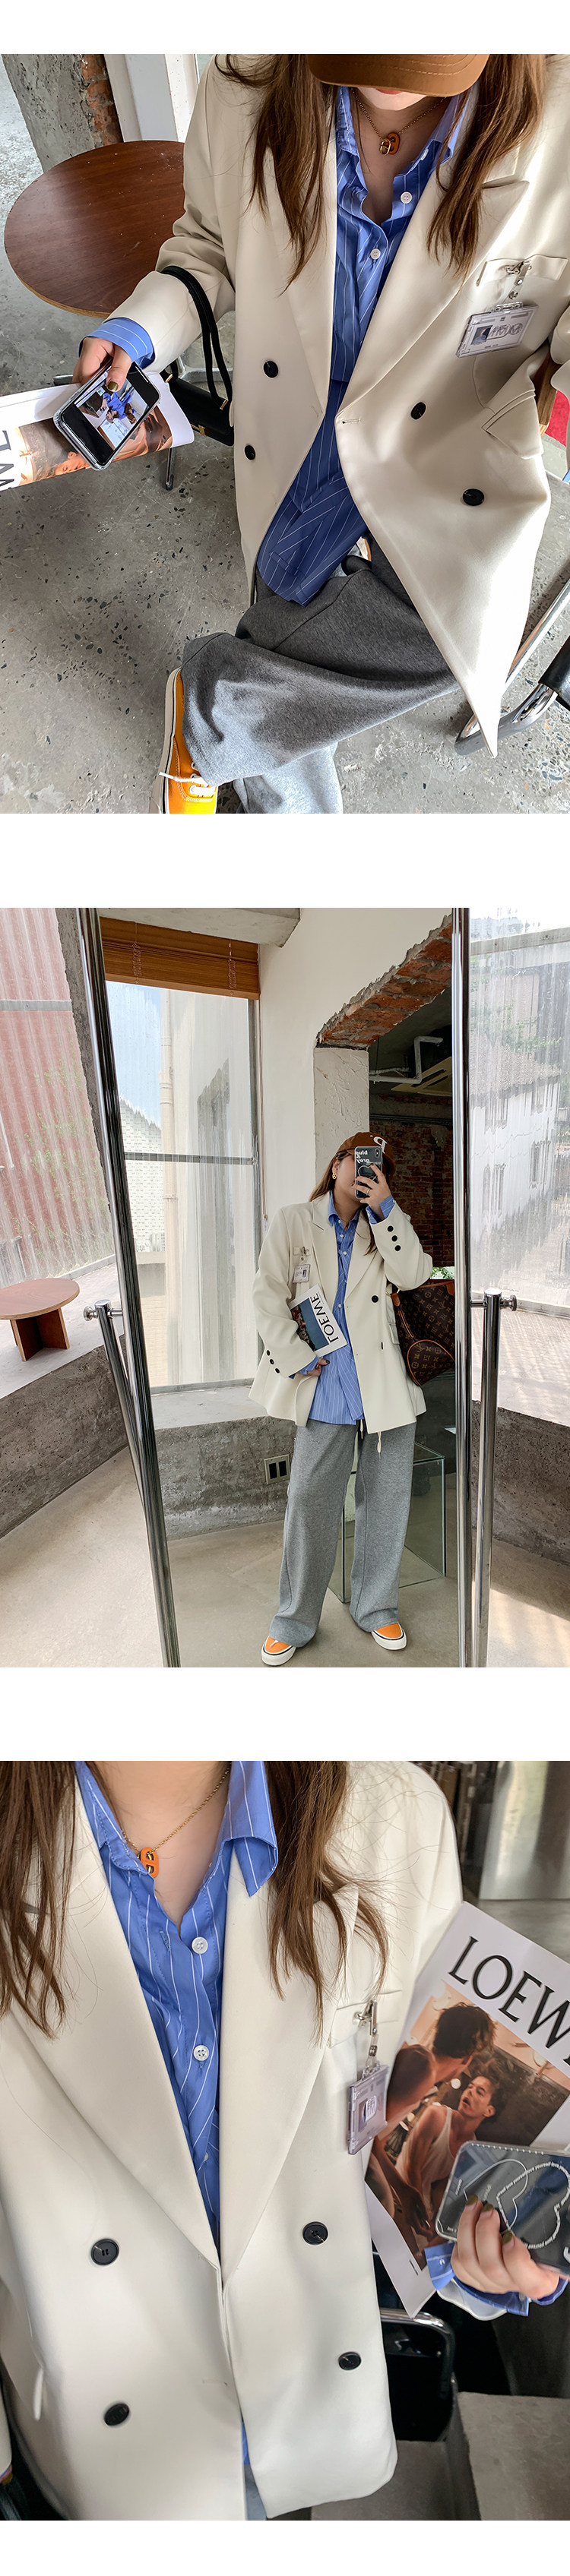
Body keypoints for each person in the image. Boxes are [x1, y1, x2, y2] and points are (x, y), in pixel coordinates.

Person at [0, 1761, 565, 2522]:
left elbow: (390, 2185)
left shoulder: (394, 1814)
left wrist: (483, 2257)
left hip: (295, 2422)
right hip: (86, 2445)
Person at [71, 51, 570, 814]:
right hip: (294, 423)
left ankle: (211, 715)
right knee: (286, 646)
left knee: (447, 636)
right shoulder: (243, 85)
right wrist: (140, 329)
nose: (393, 69)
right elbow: (207, 247)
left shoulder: (559, 116)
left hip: (445, 444)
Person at [250, 1132, 431, 1662]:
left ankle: (377, 1606)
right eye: (359, 1159)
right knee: (310, 1501)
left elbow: (414, 1274)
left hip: (383, 1383)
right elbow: (266, 1295)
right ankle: (294, 1618)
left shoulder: (389, 1224)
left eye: (379, 1164)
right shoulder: (295, 1221)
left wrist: (387, 1209)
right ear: (336, 1165)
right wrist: (296, 1355)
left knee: (387, 1500)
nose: (367, 1169)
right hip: (326, 1379)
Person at [394, 2062, 505, 2230]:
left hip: (424, 2209)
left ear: (489, 2111)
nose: (469, 2092)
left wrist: (437, 2223)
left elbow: (440, 2190)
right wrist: (422, 2214)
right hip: (398, 2194)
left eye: (479, 2092)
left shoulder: (470, 2148)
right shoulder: (436, 2116)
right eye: (470, 2087)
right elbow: (412, 2167)